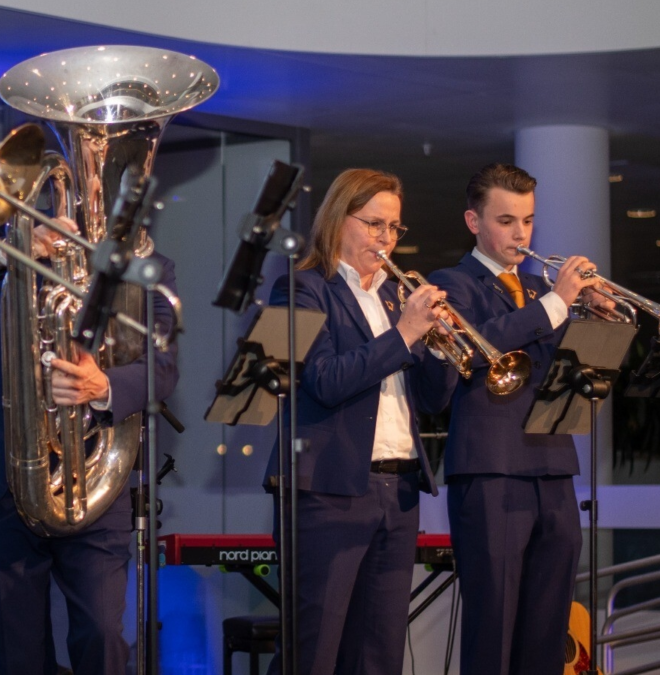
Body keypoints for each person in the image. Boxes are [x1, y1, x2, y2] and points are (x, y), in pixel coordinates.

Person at [0, 220, 180, 675]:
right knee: (18, 649)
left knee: (101, 634)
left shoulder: (149, 263)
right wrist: (10, 248)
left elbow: (163, 367)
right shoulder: (20, 227)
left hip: (97, 472)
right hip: (2, 469)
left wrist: (103, 385)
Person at [262, 168, 456, 675]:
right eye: (374, 224)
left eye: (394, 228)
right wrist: (407, 333)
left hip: (400, 488)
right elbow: (323, 380)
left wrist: (440, 344)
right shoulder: (303, 288)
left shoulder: (396, 297)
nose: (385, 239)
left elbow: (433, 401)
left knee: (380, 653)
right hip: (329, 491)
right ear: (337, 218)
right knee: (314, 649)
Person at [427, 163, 613, 675]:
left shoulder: (538, 289)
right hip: (491, 469)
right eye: (506, 220)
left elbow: (573, 372)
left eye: (528, 221)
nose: (521, 234)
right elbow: (479, 341)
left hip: (553, 465)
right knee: (493, 628)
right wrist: (558, 304)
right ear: (473, 221)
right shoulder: (451, 284)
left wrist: (595, 320)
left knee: (547, 633)